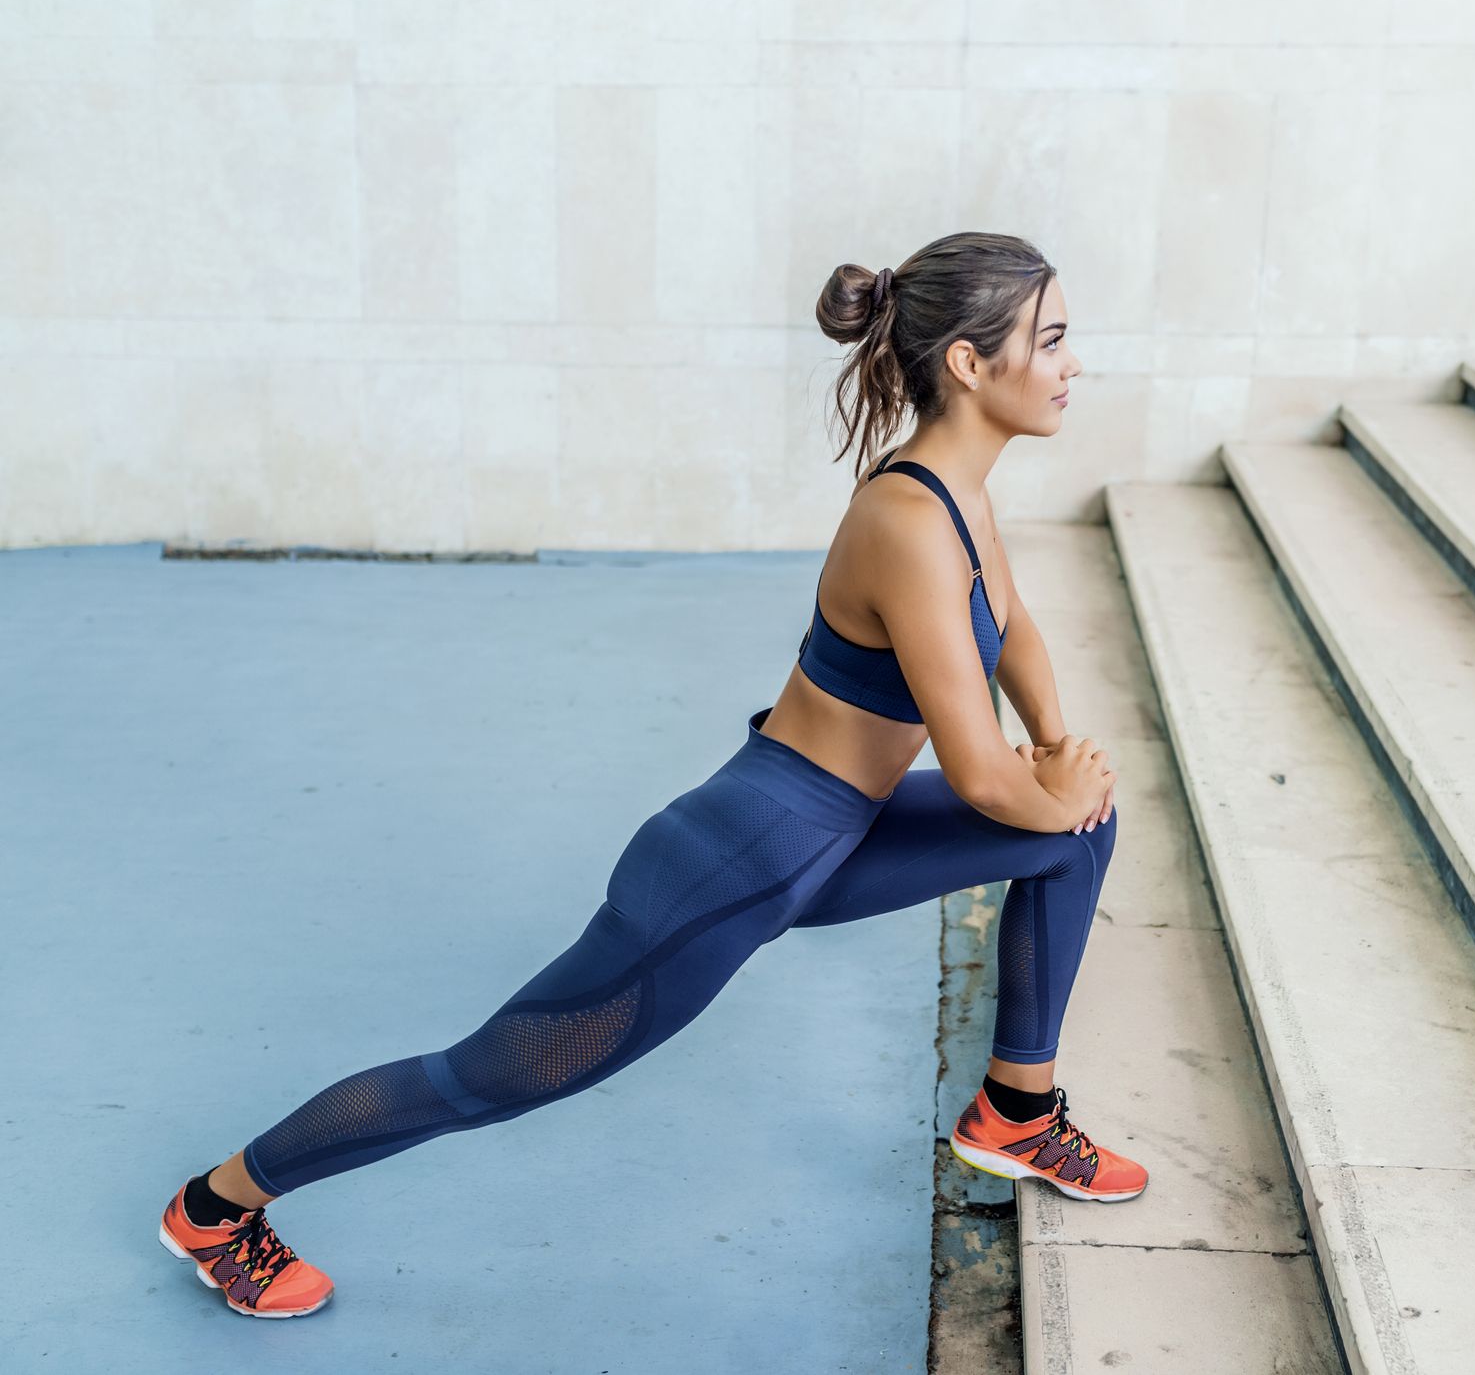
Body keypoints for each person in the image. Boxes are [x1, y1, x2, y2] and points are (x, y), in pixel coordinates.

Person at [157, 232, 1142, 1320]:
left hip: (834, 839)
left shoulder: (963, 493)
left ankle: (1016, 1106)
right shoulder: (905, 516)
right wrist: (1048, 779)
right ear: (968, 361)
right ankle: (217, 1204)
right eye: (1050, 341)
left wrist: (1061, 749)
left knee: (1078, 829)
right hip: (736, 858)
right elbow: (976, 768)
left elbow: (1013, 634)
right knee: (488, 1078)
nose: (1070, 364)